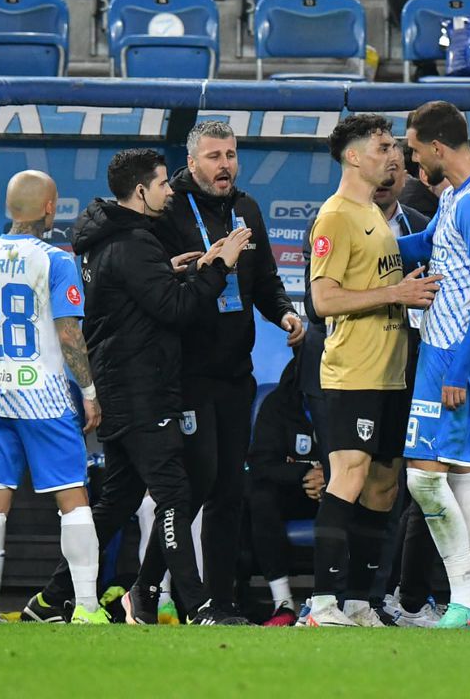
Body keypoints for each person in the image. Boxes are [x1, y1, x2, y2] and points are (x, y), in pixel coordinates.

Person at [24, 148, 252, 626]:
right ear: (140, 190)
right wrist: (220, 266)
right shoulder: (134, 243)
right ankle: (200, 606)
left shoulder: (105, 239)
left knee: (118, 503)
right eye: (164, 184)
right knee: (175, 494)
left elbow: (132, 297)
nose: (171, 191)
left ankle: (48, 601)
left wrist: (183, 269)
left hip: (118, 384)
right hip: (143, 387)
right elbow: (177, 311)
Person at [150, 121, 302, 615]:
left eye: (231, 155)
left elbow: (265, 283)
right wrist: (200, 268)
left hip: (237, 373)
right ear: (192, 163)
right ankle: (147, 589)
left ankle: (219, 601)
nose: (225, 165)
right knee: (195, 485)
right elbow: (155, 290)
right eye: (214, 156)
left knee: (229, 491)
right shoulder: (167, 210)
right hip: (187, 373)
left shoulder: (248, 209)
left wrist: (284, 312)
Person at [0, 170, 108, 625]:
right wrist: (89, 391)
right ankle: (88, 610)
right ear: (50, 207)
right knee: (72, 498)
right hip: (44, 396)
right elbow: (69, 333)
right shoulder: (56, 260)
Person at [297, 114, 441, 628]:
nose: (392, 155)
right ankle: (322, 604)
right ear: (354, 156)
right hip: (352, 372)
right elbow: (322, 298)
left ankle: (359, 600)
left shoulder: (374, 215)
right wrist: (396, 293)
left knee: (383, 483)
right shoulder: (336, 215)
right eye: (382, 147)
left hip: (392, 373)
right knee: (349, 477)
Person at [393, 101, 470, 630]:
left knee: (424, 479)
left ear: (438, 147)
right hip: (459, 351)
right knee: (465, 473)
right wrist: (364, 242)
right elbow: (426, 246)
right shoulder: (459, 196)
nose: (414, 161)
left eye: (416, 150)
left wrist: (458, 368)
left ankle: (464, 599)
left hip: (456, 352)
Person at [246, 352, 322, 626]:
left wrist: (330, 476)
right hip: (297, 491)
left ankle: (353, 599)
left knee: (367, 490)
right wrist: (305, 472)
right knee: (261, 495)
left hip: (339, 490)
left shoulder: (346, 404)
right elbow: (261, 464)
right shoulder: (279, 404)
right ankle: (283, 603)